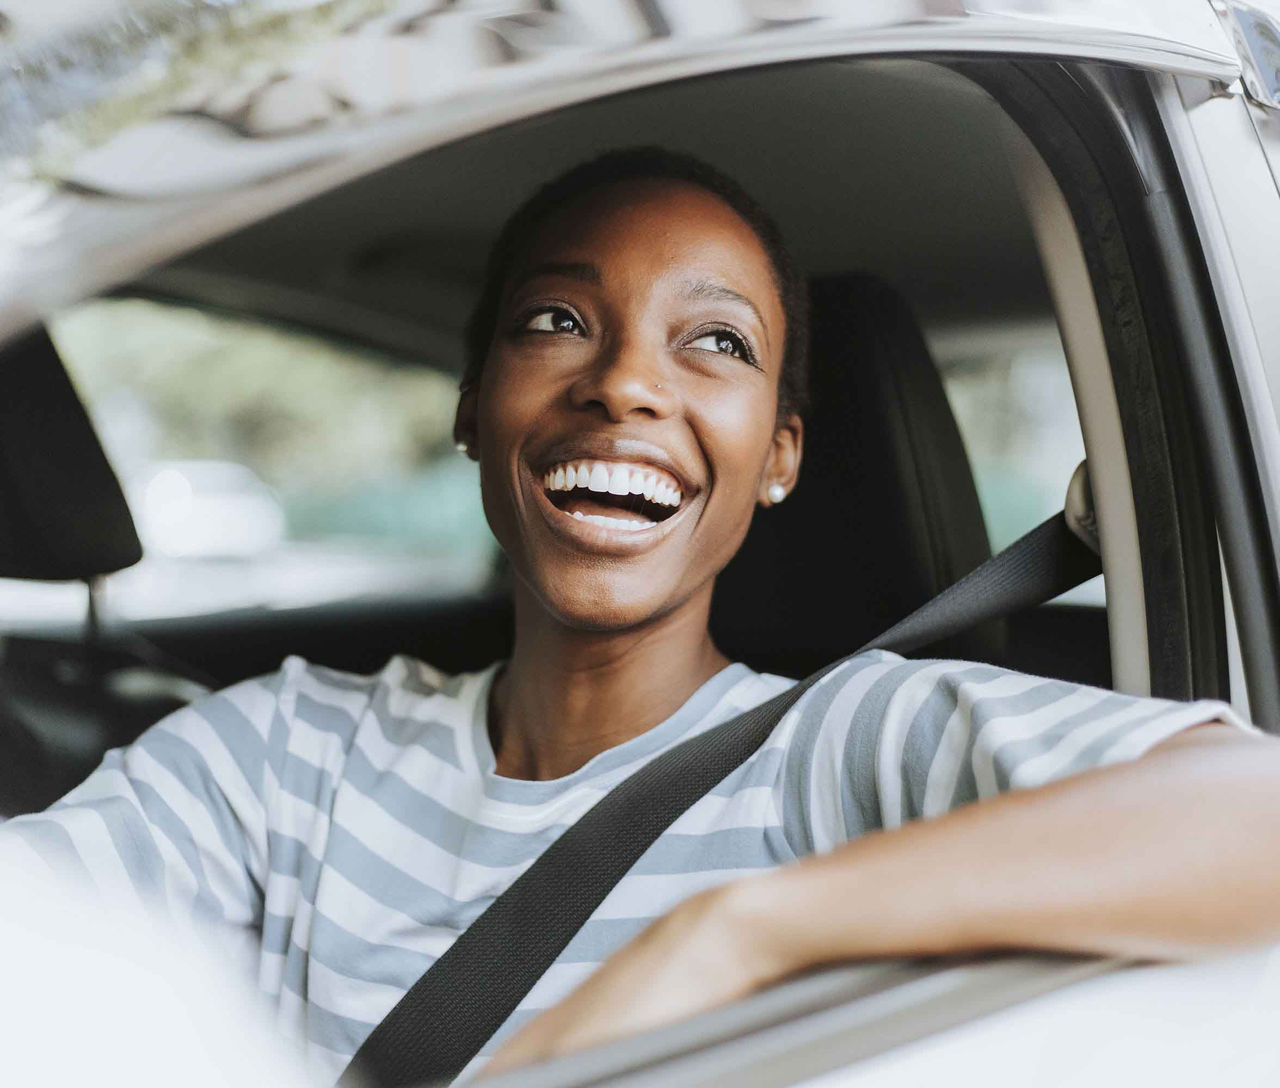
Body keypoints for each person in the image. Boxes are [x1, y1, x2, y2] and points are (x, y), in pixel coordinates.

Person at [5, 148, 1279, 1085]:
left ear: (778, 454)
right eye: (556, 321)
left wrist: (729, 935)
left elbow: (1253, 815)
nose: (620, 381)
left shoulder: (840, 742)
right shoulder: (284, 752)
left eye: (712, 342)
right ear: (473, 407)